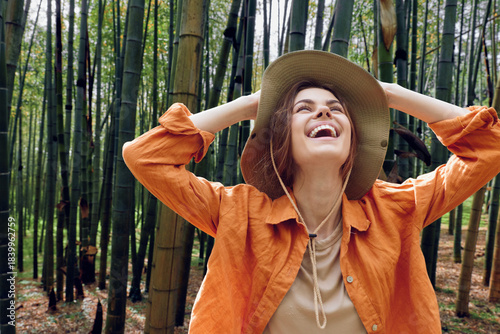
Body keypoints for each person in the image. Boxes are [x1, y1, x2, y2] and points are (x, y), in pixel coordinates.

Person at [123, 50, 500, 333]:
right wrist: (252, 105)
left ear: (354, 140)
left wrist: (388, 93)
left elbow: (490, 148)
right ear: (281, 138)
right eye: (305, 109)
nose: (324, 113)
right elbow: (144, 156)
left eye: (336, 109)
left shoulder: (397, 209)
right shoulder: (237, 213)